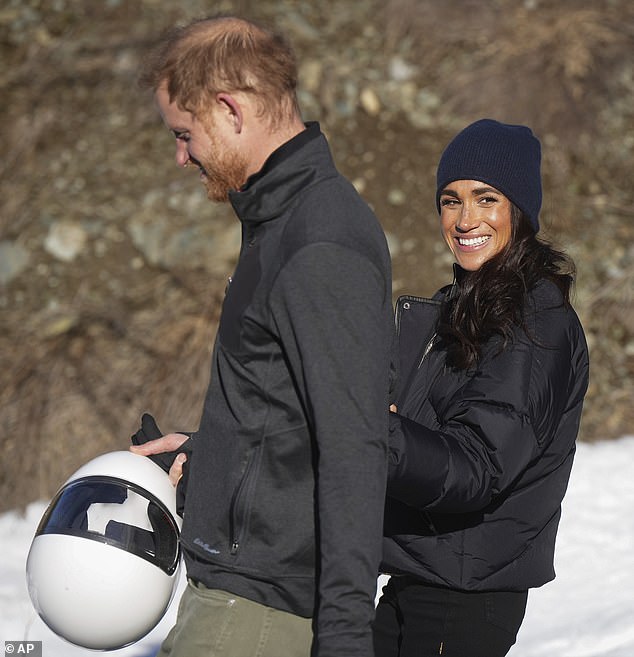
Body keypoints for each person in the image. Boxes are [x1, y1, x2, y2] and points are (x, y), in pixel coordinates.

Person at [129, 15, 395, 657]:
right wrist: (212, 456)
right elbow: (290, 415)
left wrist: (344, 641)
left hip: (254, 618)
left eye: (185, 134)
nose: (181, 155)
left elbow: (355, 450)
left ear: (229, 109)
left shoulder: (318, 240)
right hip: (235, 602)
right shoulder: (279, 220)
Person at [373, 119, 590, 657]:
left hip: (464, 600)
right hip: (415, 576)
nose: (465, 219)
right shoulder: (463, 309)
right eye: (450, 201)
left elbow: (475, 468)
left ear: (519, 210)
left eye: (486, 198)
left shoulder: (534, 323)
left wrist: (368, 426)